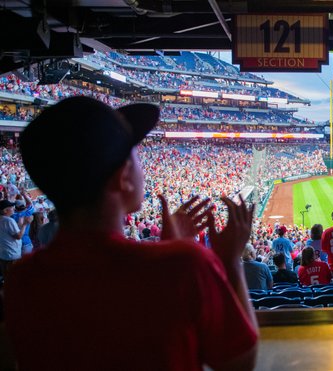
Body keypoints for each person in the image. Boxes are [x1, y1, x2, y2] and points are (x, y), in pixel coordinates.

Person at [5, 96, 258, 370]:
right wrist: (231, 262)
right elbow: (240, 363)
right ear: (123, 176)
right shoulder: (186, 264)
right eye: (134, 150)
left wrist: (167, 250)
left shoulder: (22, 279)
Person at [0, 199, 29, 278]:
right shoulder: (9, 220)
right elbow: (19, 236)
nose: (14, 208)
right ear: (5, 210)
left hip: (3, 254)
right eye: (11, 207)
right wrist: (25, 224)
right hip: (12, 255)